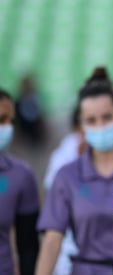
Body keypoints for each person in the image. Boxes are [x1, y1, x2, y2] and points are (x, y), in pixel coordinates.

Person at [41, 67, 113, 275]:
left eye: (106, 117)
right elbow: (52, 236)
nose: (100, 126)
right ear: (81, 124)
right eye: (91, 120)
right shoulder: (65, 165)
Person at [0, 88, 39, 275]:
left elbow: (28, 247)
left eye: (10, 120)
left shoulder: (21, 175)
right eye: (1, 120)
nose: (7, 127)